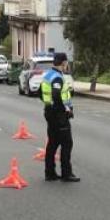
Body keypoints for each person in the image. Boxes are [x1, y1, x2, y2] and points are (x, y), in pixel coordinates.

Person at [40, 53, 80, 182]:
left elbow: (40, 93)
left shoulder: (47, 75)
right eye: (66, 62)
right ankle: (66, 173)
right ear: (63, 63)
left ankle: (50, 173)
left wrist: (49, 104)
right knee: (67, 143)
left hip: (49, 111)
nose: (67, 65)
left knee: (52, 143)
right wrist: (64, 110)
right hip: (58, 114)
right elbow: (57, 95)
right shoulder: (57, 78)